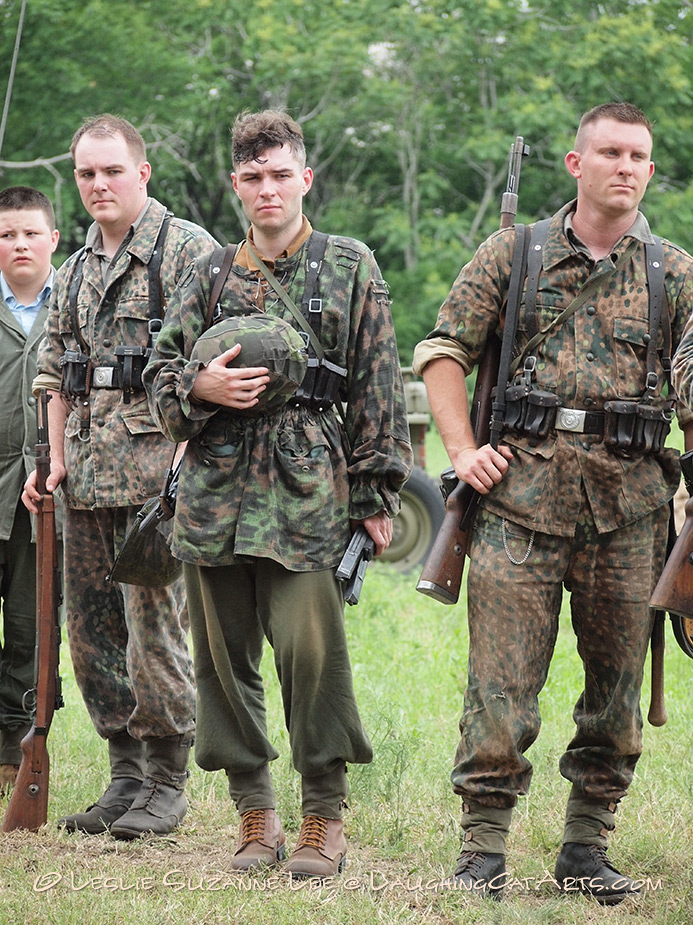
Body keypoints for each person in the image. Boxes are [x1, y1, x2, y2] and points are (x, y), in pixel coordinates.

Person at [412, 102, 693, 903]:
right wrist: (464, 453)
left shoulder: (672, 271)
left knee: (614, 695)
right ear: (575, 164)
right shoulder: (517, 251)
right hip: (518, 505)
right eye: (609, 152)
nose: (626, 167)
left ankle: (584, 848)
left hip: (630, 512)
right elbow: (442, 351)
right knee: (498, 693)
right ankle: (481, 850)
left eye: (638, 155)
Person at [143, 110, 412, 878]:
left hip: (307, 492)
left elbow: (378, 385)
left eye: (280, 174)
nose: (268, 189)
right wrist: (199, 383)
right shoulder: (208, 271)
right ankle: (254, 814)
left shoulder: (349, 263)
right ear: (236, 184)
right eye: (253, 177)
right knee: (222, 661)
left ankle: (322, 817)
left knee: (310, 652)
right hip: (213, 491)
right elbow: (159, 381)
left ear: (305, 178)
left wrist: (374, 492)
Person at [22, 114, 217, 839]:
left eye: (111, 170)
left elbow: (209, 365)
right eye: (85, 173)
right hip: (85, 477)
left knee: (154, 633)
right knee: (91, 634)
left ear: (142, 172)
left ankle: (166, 779)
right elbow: (54, 372)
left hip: (155, 479)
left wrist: (183, 461)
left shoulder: (187, 251)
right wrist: (54, 460)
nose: (98, 184)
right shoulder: (72, 270)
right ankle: (124, 774)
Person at [0, 186, 60, 793]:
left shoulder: (72, 302)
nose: (18, 244)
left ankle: (15, 755)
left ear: (52, 241)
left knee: (30, 627)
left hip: (41, 499)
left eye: (29, 233)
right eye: (6, 234)